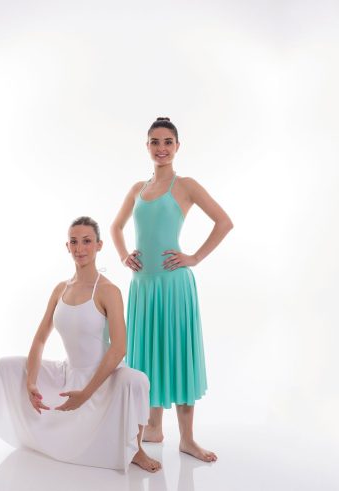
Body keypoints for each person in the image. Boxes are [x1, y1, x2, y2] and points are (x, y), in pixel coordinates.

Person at [0, 216, 161, 472]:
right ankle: (38, 429)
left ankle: (136, 449)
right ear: (67, 246)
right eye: (74, 242)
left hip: (102, 376)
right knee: (4, 366)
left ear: (99, 245)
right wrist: (31, 382)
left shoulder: (108, 291)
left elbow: (119, 348)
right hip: (68, 372)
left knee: (138, 380)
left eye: (87, 241)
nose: (80, 248)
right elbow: (40, 338)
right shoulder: (60, 289)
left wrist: (86, 394)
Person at [110, 117, 233, 462]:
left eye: (168, 142)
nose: (161, 148)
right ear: (147, 146)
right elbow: (116, 227)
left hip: (174, 286)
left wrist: (194, 257)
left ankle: (188, 439)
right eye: (155, 142)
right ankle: (153, 428)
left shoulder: (186, 186)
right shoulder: (137, 189)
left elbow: (224, 222)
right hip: (143, 287)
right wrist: (123, 255)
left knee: (177, 353)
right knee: (147, 356)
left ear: (177, 147)